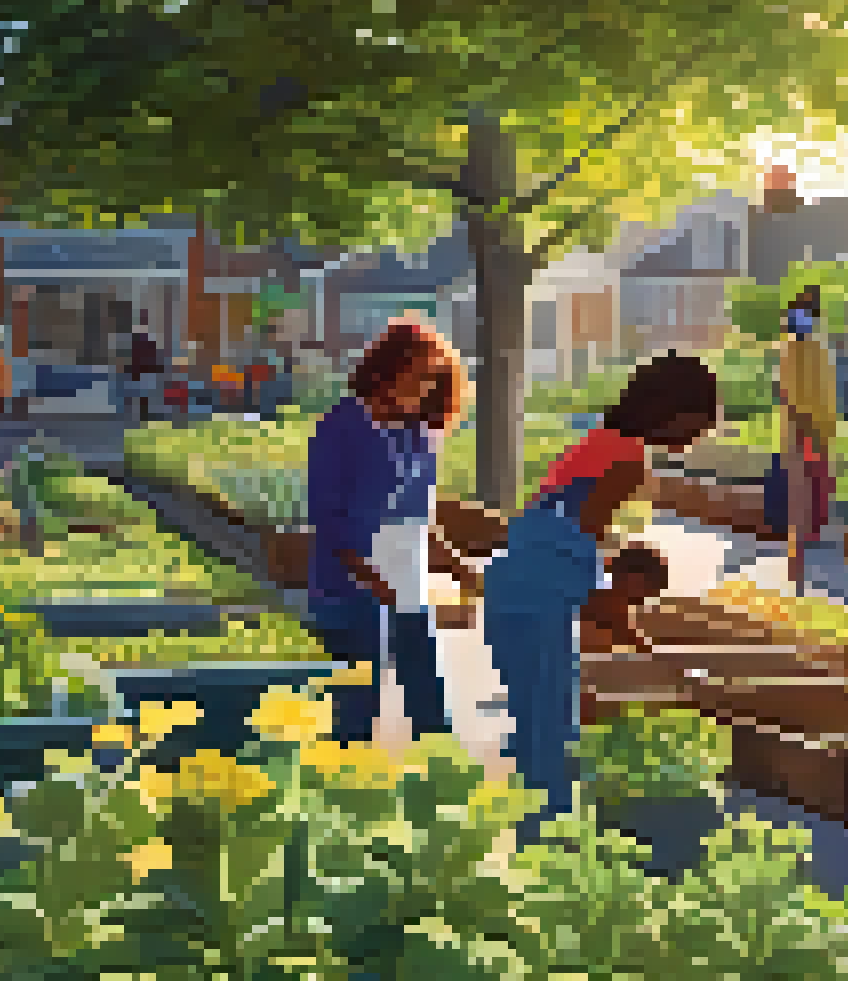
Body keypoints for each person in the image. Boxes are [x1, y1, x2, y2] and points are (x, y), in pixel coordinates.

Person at [489, 351, 719, 843]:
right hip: (539, 595)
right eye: (695, 426)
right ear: (667, 411)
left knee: (535, 724)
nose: (693, 440)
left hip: (508, 589)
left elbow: (570, 533)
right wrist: (650, 649)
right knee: (553, 731)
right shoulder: (628, 457)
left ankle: (535, 835)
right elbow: (585, 541)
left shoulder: (597, 441)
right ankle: (548, 851)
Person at [305, 319, 486, 748]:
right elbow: (328, 521)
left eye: (432, 380)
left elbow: (420, 516)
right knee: (354, 708)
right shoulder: (341, 427)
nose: (423, 389)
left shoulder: (421, 435)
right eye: (417, 376)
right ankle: (345, 792)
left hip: (407, 584)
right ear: (386, 369)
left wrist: (459, 568)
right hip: (348, 587)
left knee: (429, 702)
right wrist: (371, 581)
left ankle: (445, 790)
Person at [776, 286, 839, 595]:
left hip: (814, 426)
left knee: (812, 487)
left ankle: (799, 554)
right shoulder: (799, 345)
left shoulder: (812, 345)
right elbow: (790, 390)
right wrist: (807, 425)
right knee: (802, 490)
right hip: (805, 427)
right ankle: (796, 559)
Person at [580, 544, 670, 654]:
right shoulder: (602, 607)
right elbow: (598, 653)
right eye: (654, 582)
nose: (655, 592)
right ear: (631, 577)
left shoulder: (615, 606)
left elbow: (636, 647)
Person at [126, 313, 164, 423]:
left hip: (145, 372)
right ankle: (144, 417)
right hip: (144, 372)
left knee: (145, 397)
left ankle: (144, 417)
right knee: (144, 397)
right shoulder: (141, 341)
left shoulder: (143, 341)